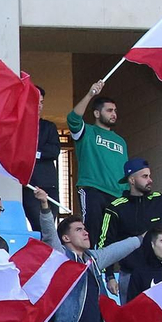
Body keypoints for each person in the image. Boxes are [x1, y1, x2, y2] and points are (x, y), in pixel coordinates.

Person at [66, 83, 127, 237]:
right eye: (109, 110)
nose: (114, 114)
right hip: (92, 189)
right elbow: (73, 118)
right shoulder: (87, 132)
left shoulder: (121, 141)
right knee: (92, 232)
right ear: (97, 114)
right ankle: (90, 261)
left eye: (115, 111)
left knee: (112, 238)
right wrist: (90, 94)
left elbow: (125, 170)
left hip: (117, 194)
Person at [22, 97, 61, 233]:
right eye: (35, 101)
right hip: (29, 185)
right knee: (37, 226)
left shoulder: (49, 127)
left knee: (49, 225)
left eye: (42, 102)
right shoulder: (19, 126)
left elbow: (54, 152)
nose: (39, 105)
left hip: (49, 185)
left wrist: (34, 153)